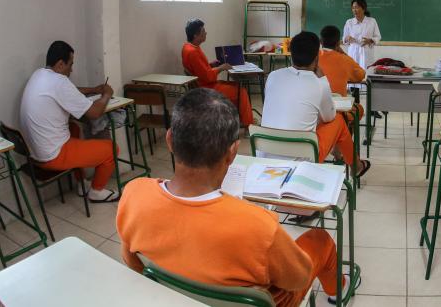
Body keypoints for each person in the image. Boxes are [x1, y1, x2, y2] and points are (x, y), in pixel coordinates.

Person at [117, 88, 349, 307]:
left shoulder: (134, 194)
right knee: (320, 241)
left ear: (169, 140)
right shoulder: (259, 225)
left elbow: (133, 262)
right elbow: (297, 280)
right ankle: (338, 291)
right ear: (232, 152)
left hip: (176, 298)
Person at [20, 40, 119, 202]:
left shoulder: (39, 74)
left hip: (34, 153)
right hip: (52, 156)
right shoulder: (59, 82)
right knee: (112, 149)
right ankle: (96, 191)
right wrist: (106, 94)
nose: (71, 69)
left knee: (73, 127)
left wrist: (93, 89)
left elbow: (69, 91)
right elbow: (94, 113)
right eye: (70, 64)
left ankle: (81, 183)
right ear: (60, 64)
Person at [261, 32, 370, 176]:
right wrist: (323, 80)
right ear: (317, 57)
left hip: (265, 153)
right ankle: (355, 165)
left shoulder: (273, 76)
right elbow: (329, 117)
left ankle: (348, 160)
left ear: (291, 53)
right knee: (338, 119)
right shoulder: (319, 84)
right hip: (302, 157)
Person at [181, 18, 254, 127]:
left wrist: (212, 65)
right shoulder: (193, 52)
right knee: (241, 91)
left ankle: (236, 120)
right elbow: (208, 76)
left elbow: (199, 70)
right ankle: (248, 125)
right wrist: (221, 68)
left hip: (202, 84)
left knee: (236, 86)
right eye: (203, 31)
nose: (206, 33)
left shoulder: (187, 47)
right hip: (207, 88)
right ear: (196, 35)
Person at [318, 25, 366, 124]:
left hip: (315, 107)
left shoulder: (312, 57)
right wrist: (343, 54)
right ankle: (346, 131)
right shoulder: (344, 59)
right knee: (358, 109)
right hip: (337, 108)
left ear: (320, 41)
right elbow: (361, 75)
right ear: (338, 43)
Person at [342, 0, 381, 69]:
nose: (354, 10)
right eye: (353, 8)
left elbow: (378, 36)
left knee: (366, 73)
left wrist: (370, 40)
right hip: (353, 52)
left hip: (366, 52)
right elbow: (344, 38)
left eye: (357, 7)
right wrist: (347, 38)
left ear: (363, 8)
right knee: (353, 73)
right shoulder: (349, 22)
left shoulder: (372, 21)